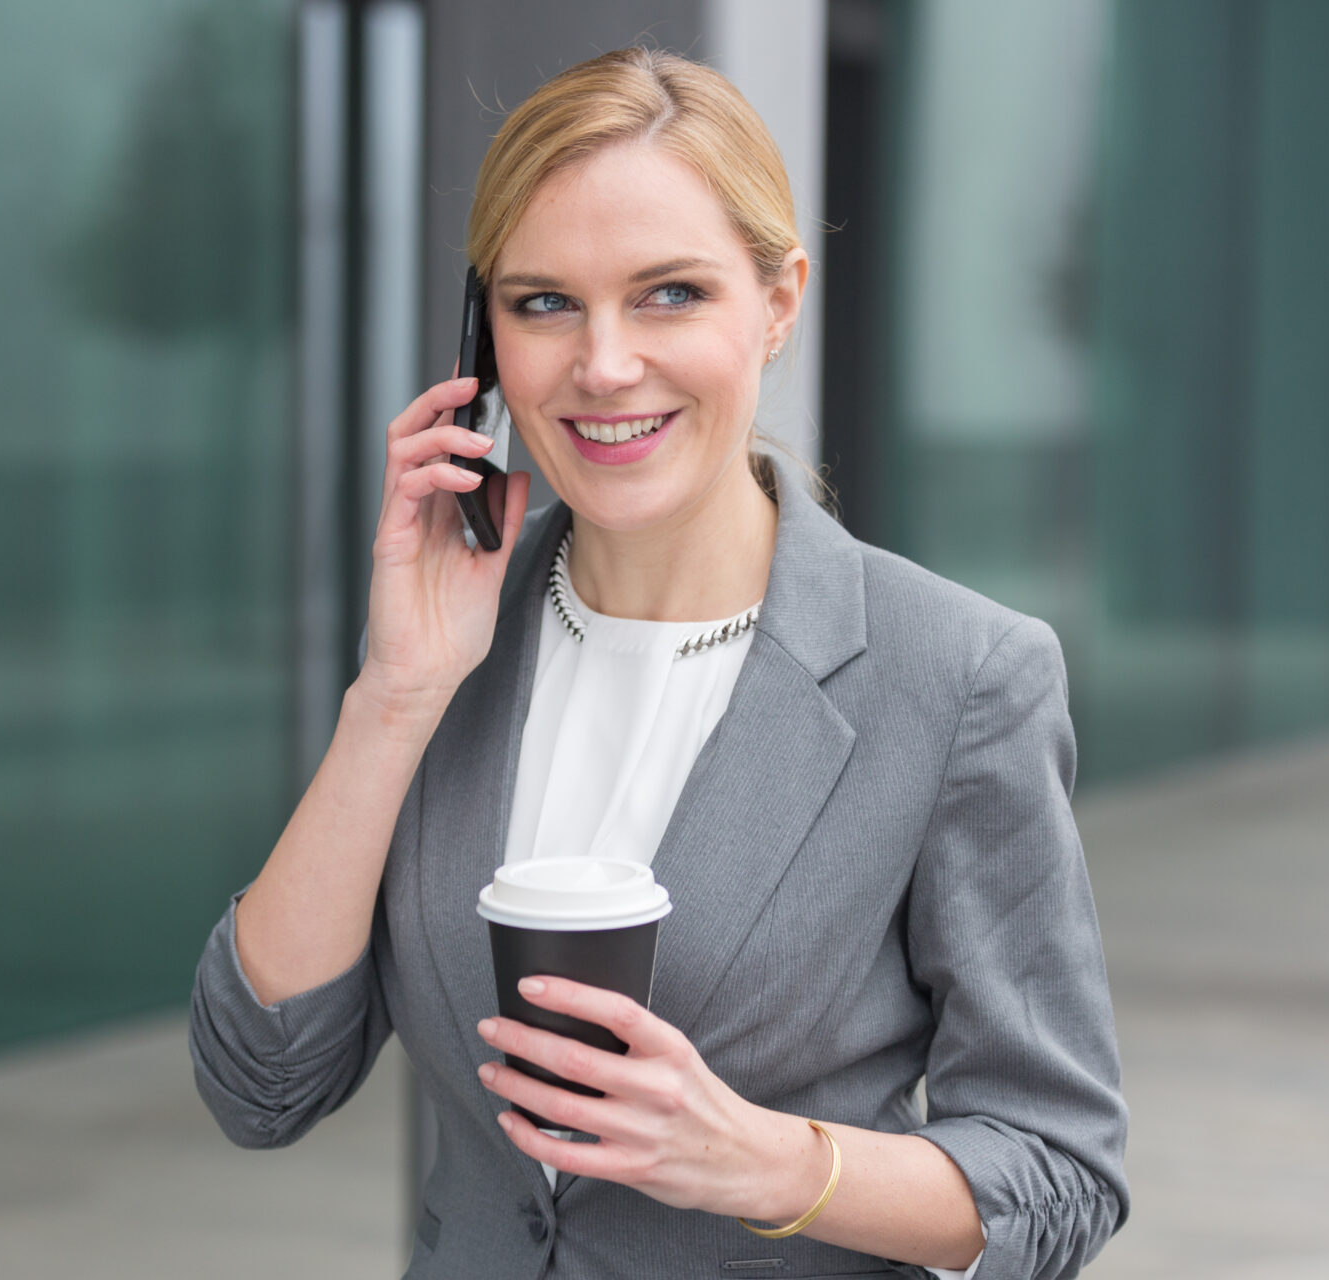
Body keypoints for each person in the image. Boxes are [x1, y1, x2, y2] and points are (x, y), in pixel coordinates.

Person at [189, 47, 1127, 1280]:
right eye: (543, 303)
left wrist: (760, 1159)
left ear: (779, 300)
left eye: (670, 293)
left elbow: (1058, 1173)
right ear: (485, 341)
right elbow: (262, 1084)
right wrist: (394, 696)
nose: (606, 364)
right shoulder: (452, 646)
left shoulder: (959, 677)